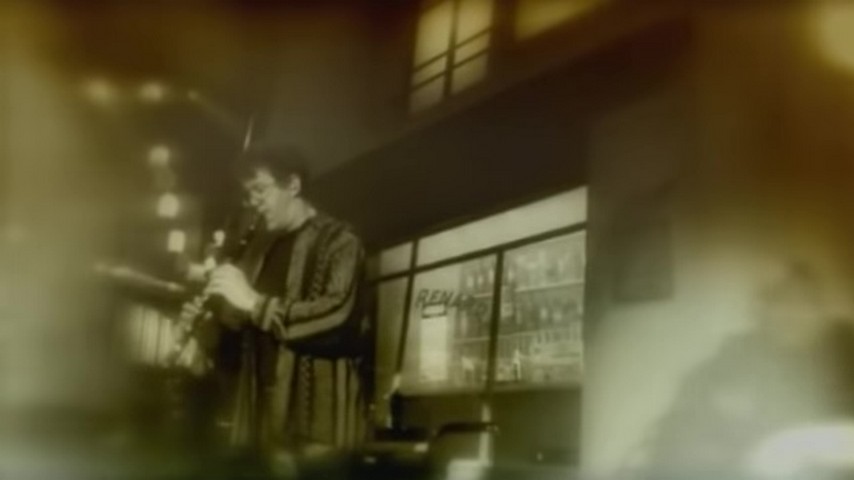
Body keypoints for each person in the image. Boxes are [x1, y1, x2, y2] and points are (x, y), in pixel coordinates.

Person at [179, 146, 370, 474]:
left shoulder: (341, 241)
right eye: (248, 194)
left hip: (319, 424)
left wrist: (254, 302)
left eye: (260, 189)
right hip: (265, 420)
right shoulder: (258, 252)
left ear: (293, 185)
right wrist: (209, 332)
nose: (253, 201)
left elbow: (336, 315)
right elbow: (247, 330)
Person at [635, 260, 854, 479]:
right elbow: (674, 436)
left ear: (821, 308)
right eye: (780, 300)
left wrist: (799, 443)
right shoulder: (730, 360)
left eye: (805, 301)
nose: (792, 312)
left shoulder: (846, 351)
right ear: (762, 309)